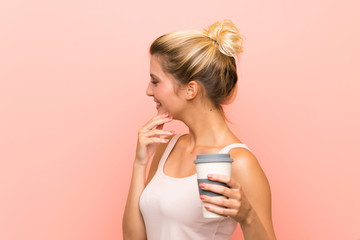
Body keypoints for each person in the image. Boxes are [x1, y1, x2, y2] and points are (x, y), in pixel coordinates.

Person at [123, 19, 276, 240]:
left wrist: (248, 216)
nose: (148, 91)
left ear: (190, 90)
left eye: (155, 81)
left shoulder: (239, 162)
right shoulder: (168, 146)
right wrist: (140, 163)